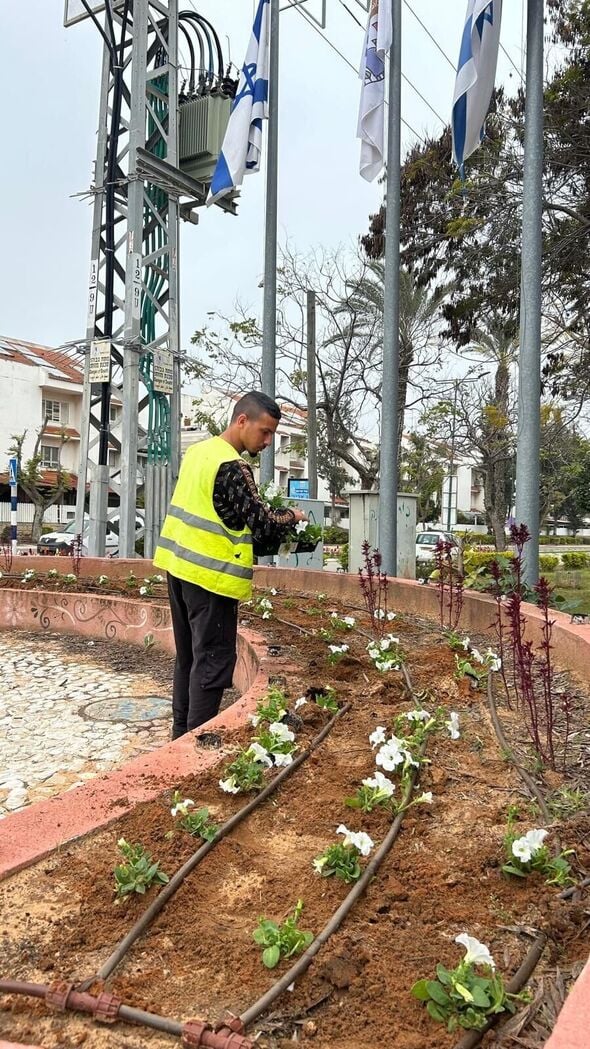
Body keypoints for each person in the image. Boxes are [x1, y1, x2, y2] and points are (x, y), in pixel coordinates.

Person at [153, 391, 307, 739]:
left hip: (179, 569)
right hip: (211, 579)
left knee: (189, 658)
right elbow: (263, 523)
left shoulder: (198, 453)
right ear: (242, 421)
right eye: (265, 432)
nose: (268, 441)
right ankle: (194, 746)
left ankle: (179, 736)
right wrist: (292, 516)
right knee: (211, 663)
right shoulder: (232, 466)